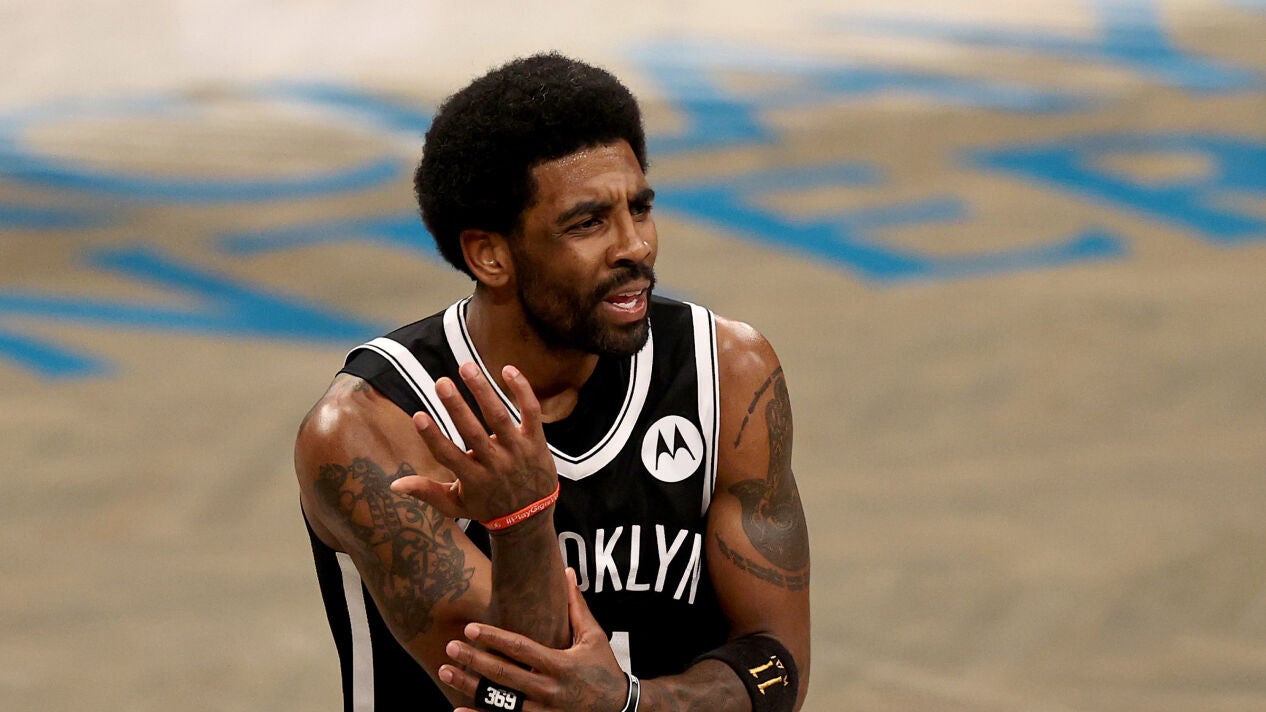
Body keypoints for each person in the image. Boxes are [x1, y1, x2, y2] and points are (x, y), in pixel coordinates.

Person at [295, 52, 811, 712]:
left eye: (639, 209)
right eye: (588, 222)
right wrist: (521, 519)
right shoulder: (372, 429)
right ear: (491, 255)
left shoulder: (729, 373)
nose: (635, 246)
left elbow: (777, 662)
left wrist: (630, 703)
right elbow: (511, 698)